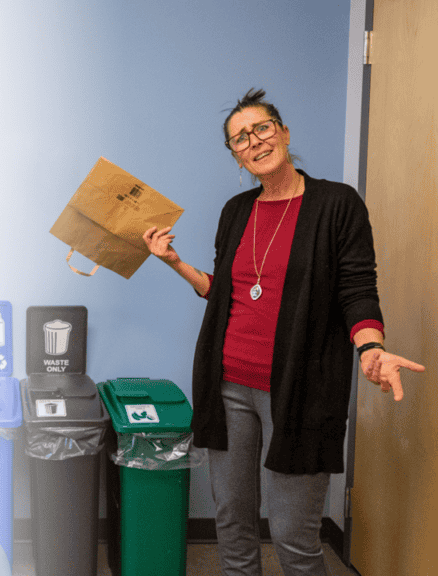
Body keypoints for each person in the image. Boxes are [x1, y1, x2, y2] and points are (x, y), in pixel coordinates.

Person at [141, 88, 425, 576]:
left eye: (262, 128)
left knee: (294, 536)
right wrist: (174, 263)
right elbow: (226, 291)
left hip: (300, 390)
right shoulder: (236, 211)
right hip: (227, 385)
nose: (254, 141)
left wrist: (370, 347)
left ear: (284, 133)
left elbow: (357, 287)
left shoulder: (336, 203)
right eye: (240, 138)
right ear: (236, 156)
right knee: (233, 524)